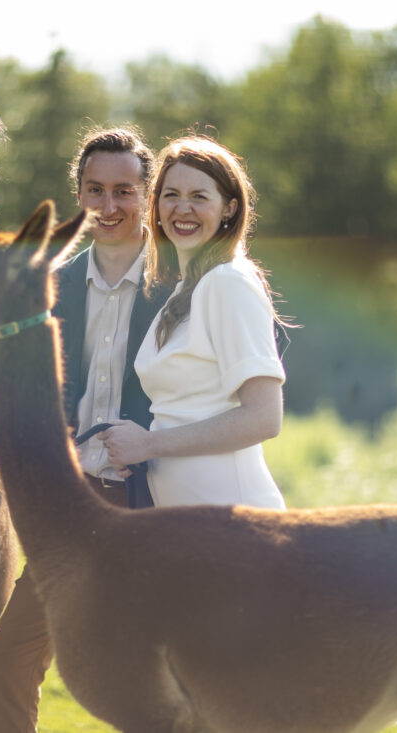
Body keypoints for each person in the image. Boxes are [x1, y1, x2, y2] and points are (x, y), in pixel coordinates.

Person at [0, 125, 170, 732]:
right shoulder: (48, 284)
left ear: (149, 194)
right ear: (79, 195)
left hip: (159, 502)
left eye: (124, 191)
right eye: (94, 190)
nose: (109, 206)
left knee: (148, 679)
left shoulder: (185, 286)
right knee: (5, 660)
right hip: (74, 507)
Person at [99, 135, 287, 509]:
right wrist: (137, 447)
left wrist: (150, 444)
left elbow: (264, 417)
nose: (182, 209)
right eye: (171, 195)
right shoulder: (185, 290)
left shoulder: (228, 281)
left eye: (199, 197)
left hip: (234, 522)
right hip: (189, 529)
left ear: (229, 209)